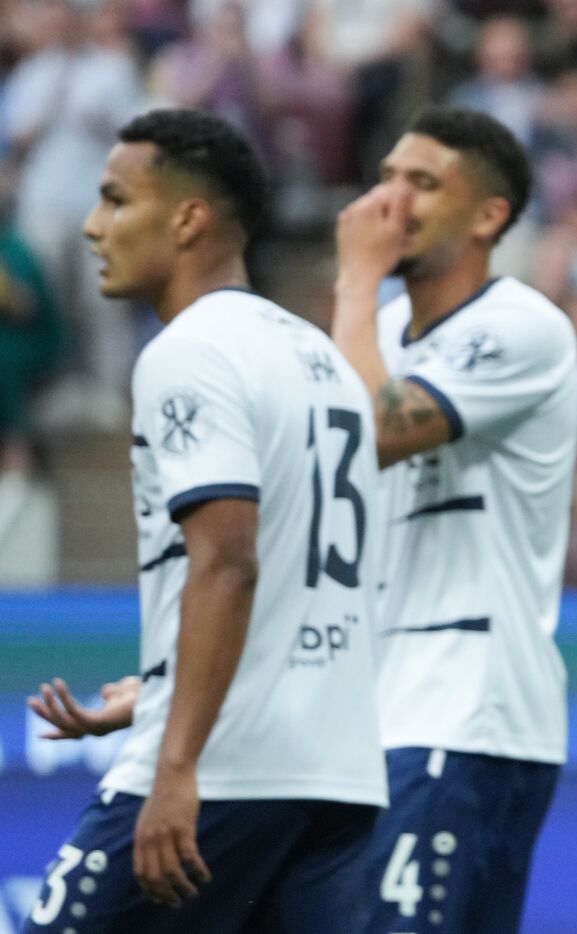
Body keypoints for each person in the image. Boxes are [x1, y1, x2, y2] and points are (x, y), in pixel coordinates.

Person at [24, 108, 386, 933]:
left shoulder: (190, 352)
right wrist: (162, 683)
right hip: (334, 770)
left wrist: (176, 762)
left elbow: (228, 561)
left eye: (116, 199)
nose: (92, 225)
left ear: (188, 218)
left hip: (226, 766)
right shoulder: (320, 358)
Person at [330, 106, 577, 933]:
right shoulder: (381, 332)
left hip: (467, 711)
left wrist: (355, 280)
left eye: (423, 183)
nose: (390, 201)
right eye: (388, 176)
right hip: (370, 713)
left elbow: (370, 430)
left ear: (489, 216)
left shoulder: (521, 327)